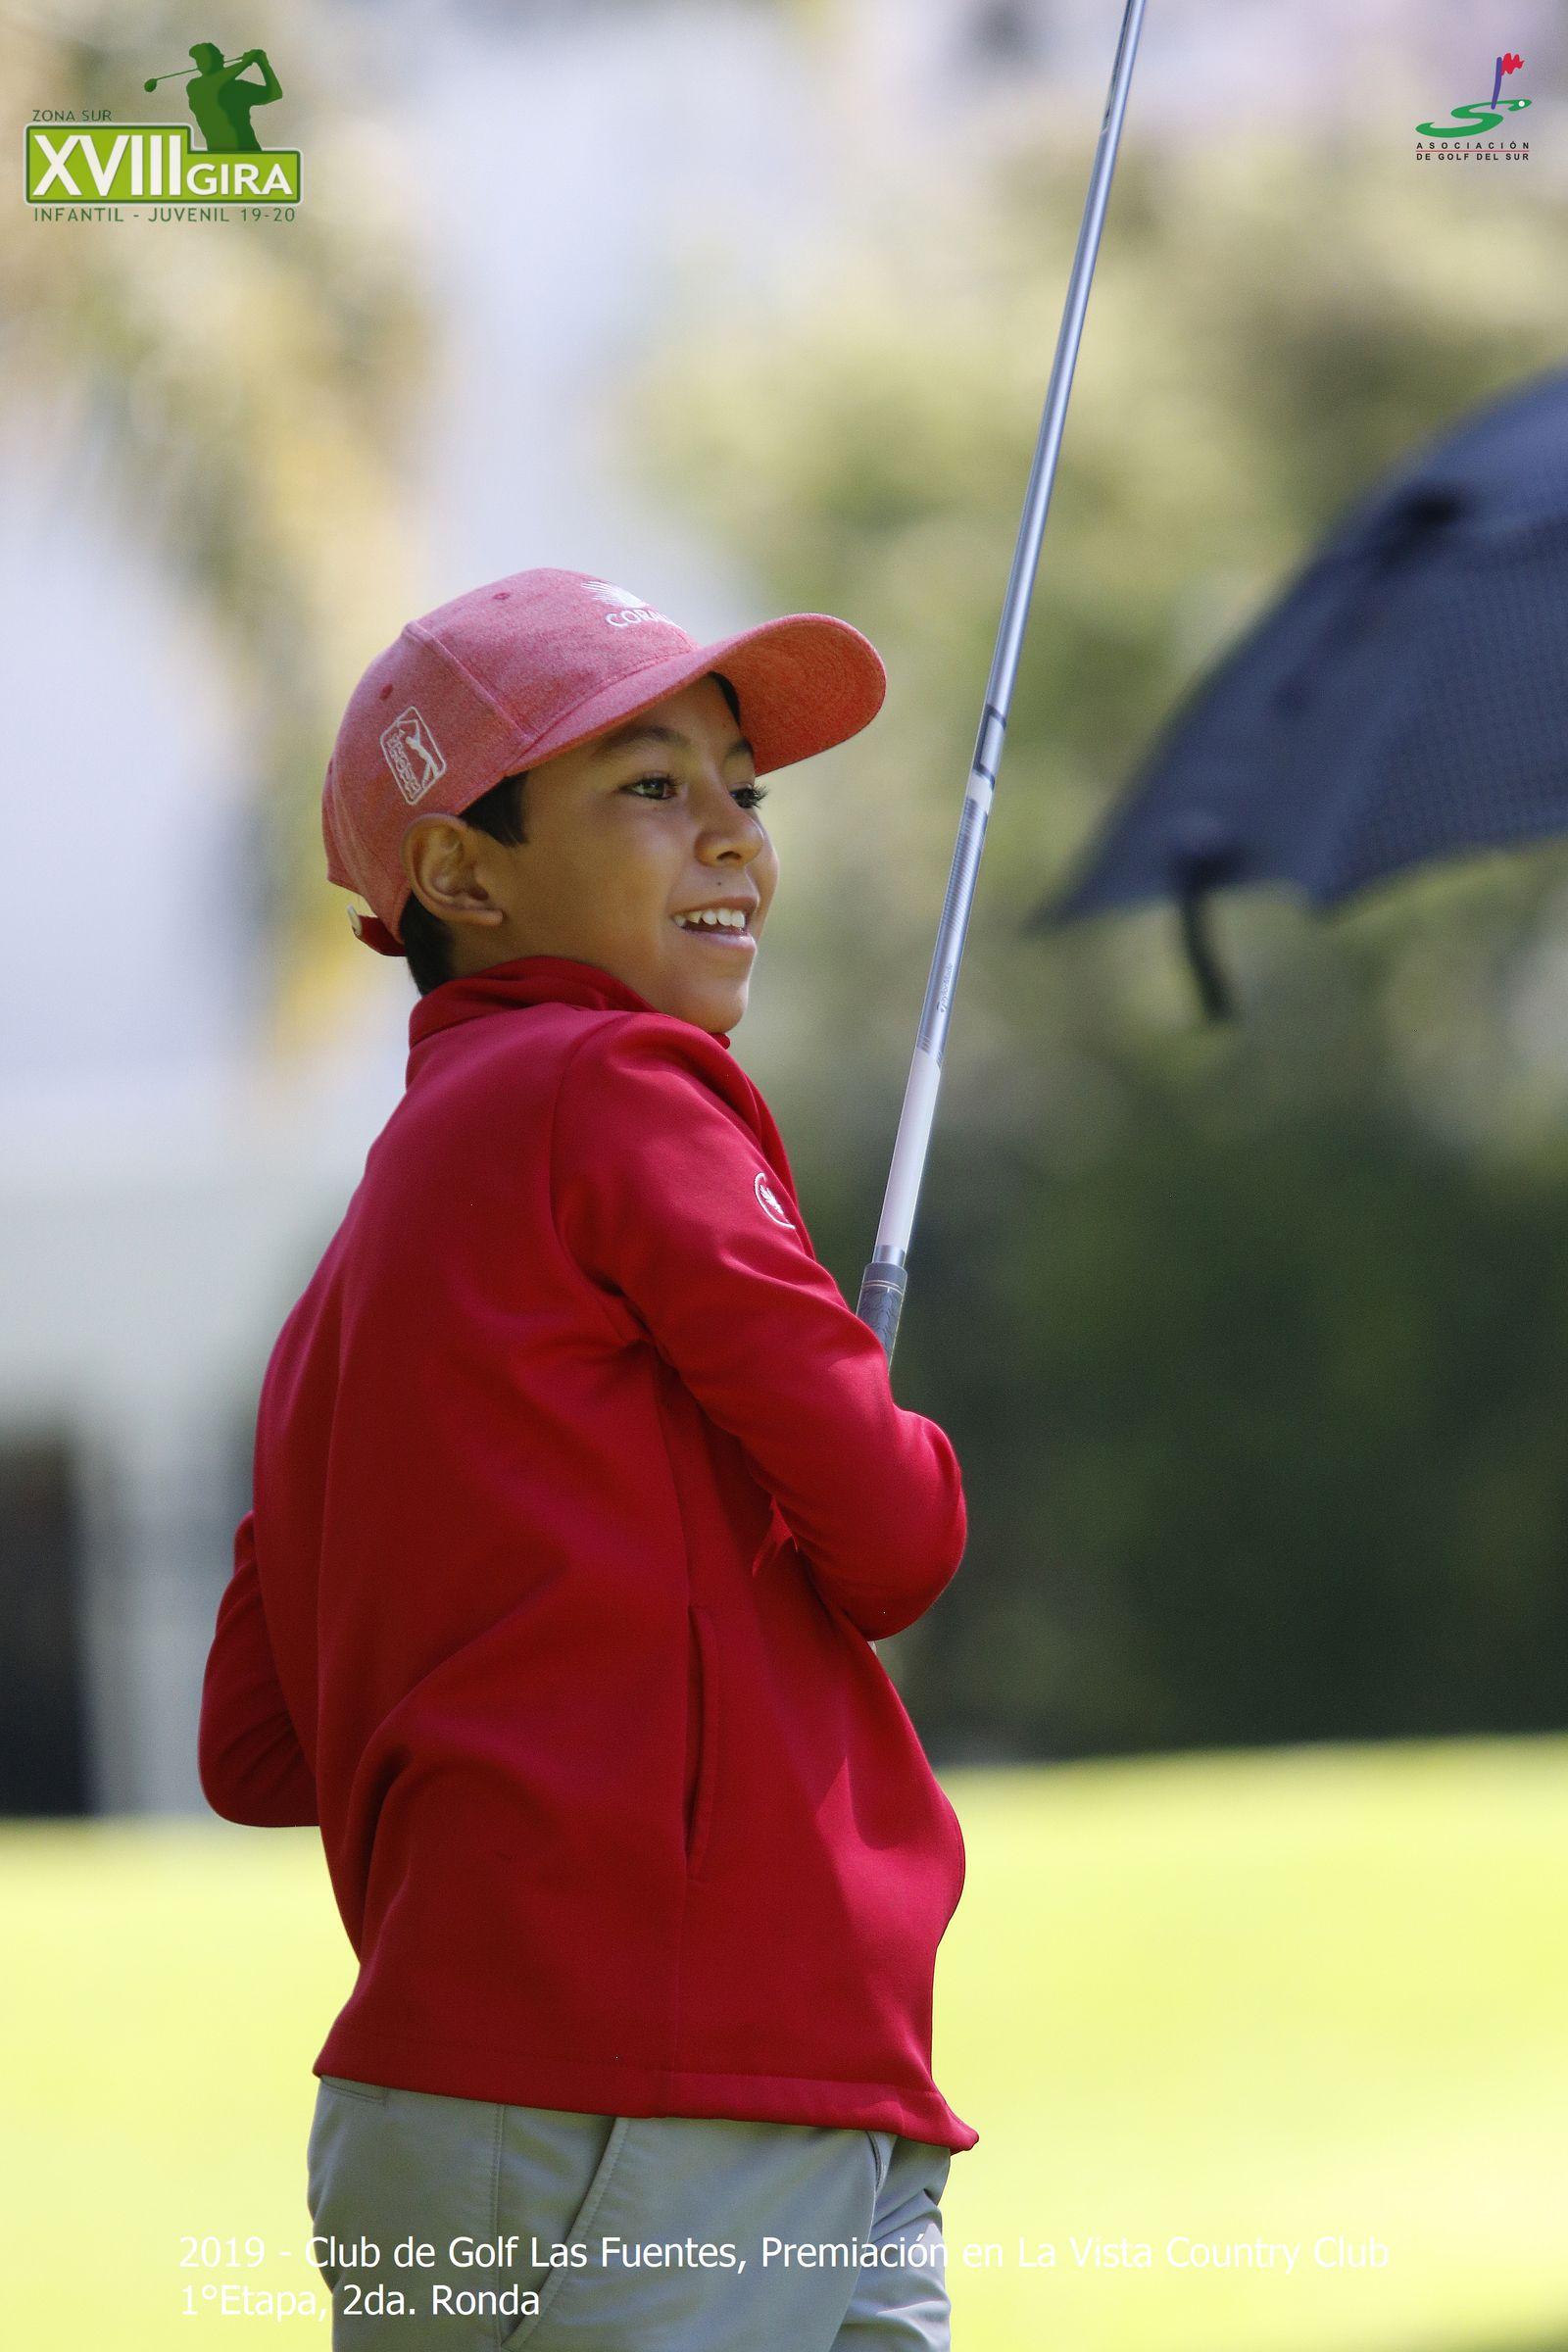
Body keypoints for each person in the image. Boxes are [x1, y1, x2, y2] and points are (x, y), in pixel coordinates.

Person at [197, 566, 976, 2350]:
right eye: (648, 784)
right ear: (464, 875)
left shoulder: (363, 1250)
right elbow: (896, 1534)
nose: (733, 836)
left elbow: (256, 1743)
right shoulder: (620, 1086)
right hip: (673, 2090)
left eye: (742, 790)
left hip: (477, 2110)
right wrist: (879, 1433)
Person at [184, 42, 282, 152]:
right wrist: (246, 62)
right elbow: (215, 82)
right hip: (221, 155)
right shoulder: (196, 86)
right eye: (198, 60)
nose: (200, 63)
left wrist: (263, 63)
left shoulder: (237, 88)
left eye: (204, 58)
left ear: (219, 59)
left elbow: (275, 93)